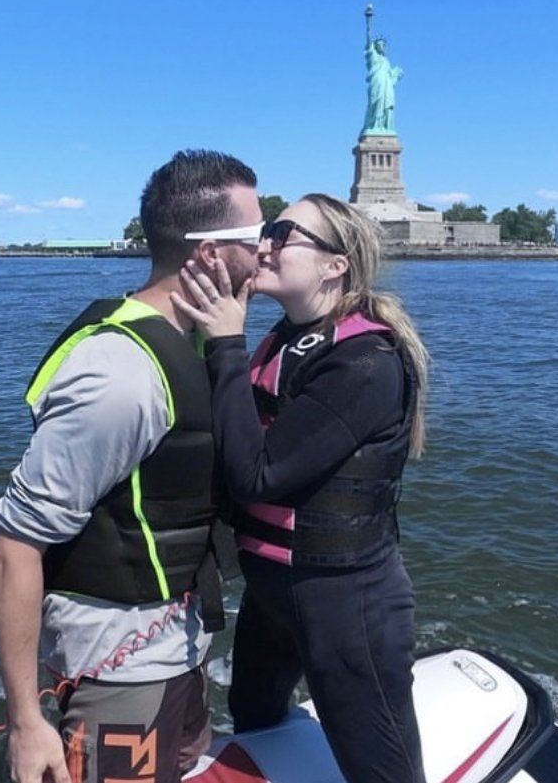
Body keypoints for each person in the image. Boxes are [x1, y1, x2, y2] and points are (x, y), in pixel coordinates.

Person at [0, 150, 262, 783]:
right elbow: (12, 548)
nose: (269, 250)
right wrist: (28, 724)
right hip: (118, 666)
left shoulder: (200, 338)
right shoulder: (122, 377)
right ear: (211, 254)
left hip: (177, 646)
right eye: (258, 235)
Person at [172, 193, 430, 783]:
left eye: (284, 234)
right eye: (267, 229)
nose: (264, 243)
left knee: (381, 768)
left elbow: (257, 475)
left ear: (334, 264)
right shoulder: (285, 338)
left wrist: (227, 343)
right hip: (273, 592)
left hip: (345, 601)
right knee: (257, 721)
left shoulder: (365, 361)